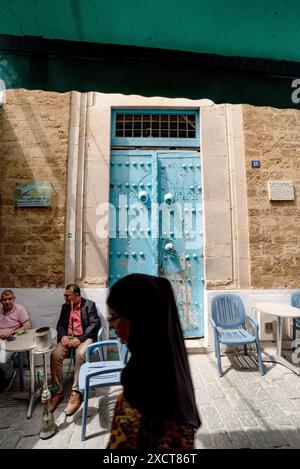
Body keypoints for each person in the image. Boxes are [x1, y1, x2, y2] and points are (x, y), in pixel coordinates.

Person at [106, 273, 201, 449]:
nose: (111, 326)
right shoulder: (171, 376)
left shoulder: (144, 391)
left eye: (114, 317)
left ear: (139, 318)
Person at [49, 283, 101, 415]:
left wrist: (81, 338)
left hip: (85, 337)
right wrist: (62, 337)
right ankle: (57, 392)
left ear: (77, 295)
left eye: (68, 296)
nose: (65, 298)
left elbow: (94, 324)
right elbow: (60, 324)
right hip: (69, 339)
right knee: (55, 355)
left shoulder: (89, 305)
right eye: (64, 295)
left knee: (80, 354)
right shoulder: (65, 307)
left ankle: (76, 392)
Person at [0, 289, 31, 392]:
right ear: (1, 301)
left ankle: (8, 376)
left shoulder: (19, 309)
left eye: (10, 299)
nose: (7, 302)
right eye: (4, 299)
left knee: (3, 358)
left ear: (14, 299)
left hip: (12, 339)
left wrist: (12, 332)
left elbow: (27, 325)